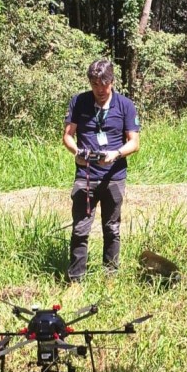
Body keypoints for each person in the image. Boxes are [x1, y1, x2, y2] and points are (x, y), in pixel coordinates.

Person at [62, 59, 141, 283]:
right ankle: (75, 279)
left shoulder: (125, 105)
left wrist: (116, 153)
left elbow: (134, 142)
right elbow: (67, 135)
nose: (99, 90)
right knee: (80, 229)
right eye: (95, 85)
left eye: (103, 85)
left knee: (112, 228)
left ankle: (110, 278)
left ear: (112, 82)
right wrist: (76, 151)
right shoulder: (79, 101)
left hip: (114, 176)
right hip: (86, 176)